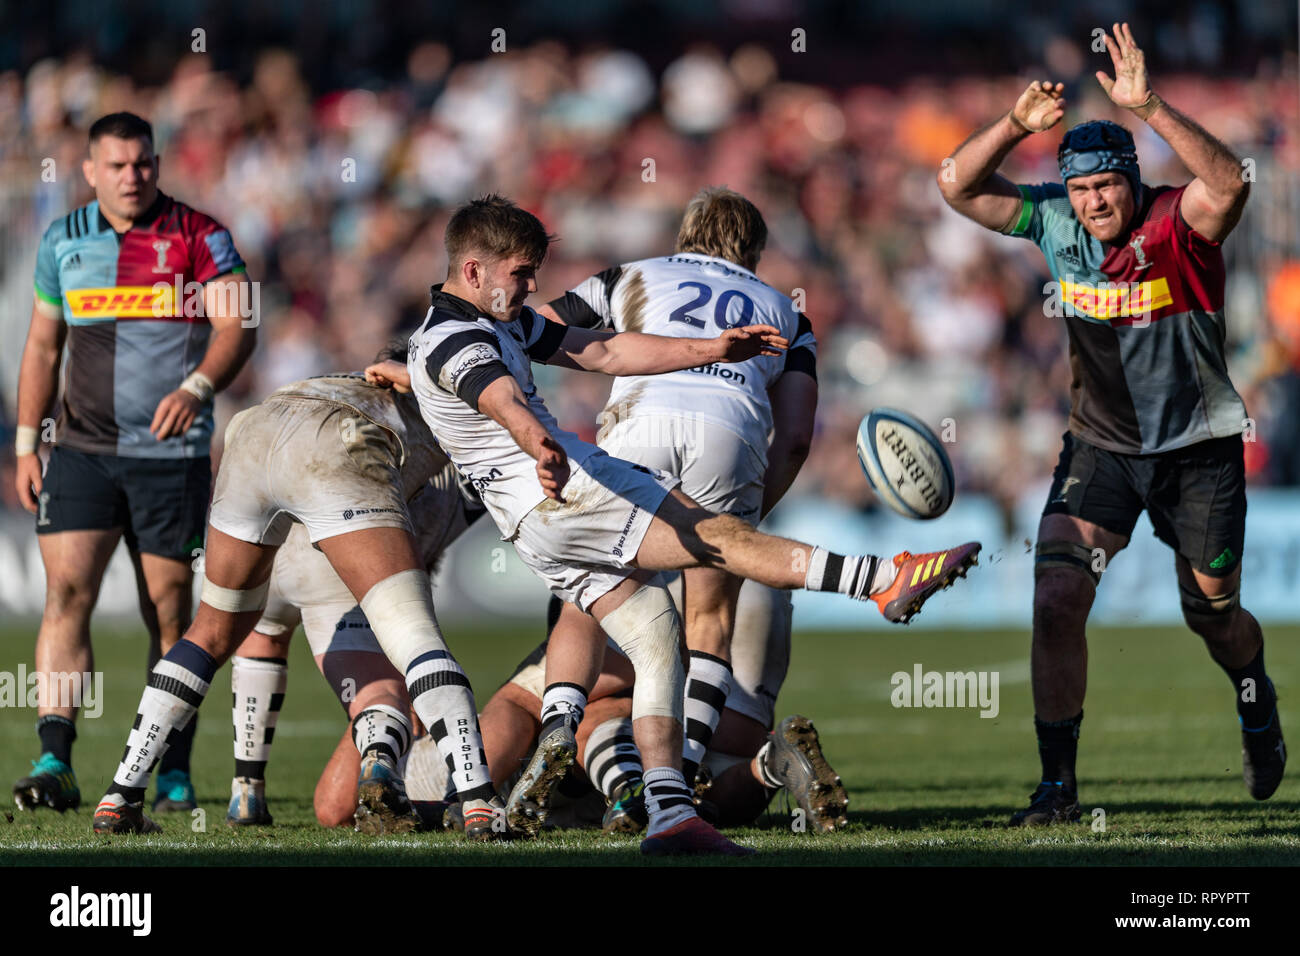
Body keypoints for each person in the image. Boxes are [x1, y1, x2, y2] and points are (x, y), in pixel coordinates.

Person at [366, 194, 979, 855]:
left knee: (657, 630)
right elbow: (501, 395)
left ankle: (663, 810)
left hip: (547, 518)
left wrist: (709, 347)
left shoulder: (491, 322)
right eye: (521, 272)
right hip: (570, 491)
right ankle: (884, 580)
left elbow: (604, 351)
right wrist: (537, 444)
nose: (532, 285)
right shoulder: (460, 337)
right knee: (719, 544)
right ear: (476, 269)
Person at [936, 23, 1281, 825]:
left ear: (1131, 181)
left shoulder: (1177, 223)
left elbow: (1230, 182)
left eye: (1106, 187)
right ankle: (1058, 788)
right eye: (1080, 188)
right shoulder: (1053, 221)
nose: (1092, 203)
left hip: (1199, 451)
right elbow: (955, 185)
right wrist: (1017, 125)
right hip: (1102, 447)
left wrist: (1150, 104)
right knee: (1057, 594)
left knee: (1213, 614)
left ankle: (1255, 703)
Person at [511, 186, 819, 825]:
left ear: (687, 236)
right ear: (754, 253)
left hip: (641, 418)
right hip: (731, 436)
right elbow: (793, 437)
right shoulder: (789, 313)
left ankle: (561, 727)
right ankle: (681, 778)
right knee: (709, 621)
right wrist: (743, 526)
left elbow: (529, 325)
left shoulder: (634, 274)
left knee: (591, 592)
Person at [89, 371, 505, 840]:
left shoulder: (365, 375)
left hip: (255, 434)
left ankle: (132, 794)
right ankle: (472, 798)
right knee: (402, 649)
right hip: (335, 494)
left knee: (212, 633)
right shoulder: (457, 415)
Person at [13, 112, 256, 816]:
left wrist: (197, 387)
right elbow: (40, 347)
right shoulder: (62, 239)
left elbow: (239, 323)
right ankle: (55, 757)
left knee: (171, 612)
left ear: (157, 163)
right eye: (116, 166)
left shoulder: (201, 235)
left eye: (143, 163)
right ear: (89, 171)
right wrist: (29, 442)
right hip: (83, 452)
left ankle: (171, 764)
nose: (132, 176)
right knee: (65, 596)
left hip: (169, 459)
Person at [224, 425, 486, 833]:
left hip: (274, 517)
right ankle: (384, 759)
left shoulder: (371, 411)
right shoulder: (468, 466)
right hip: (344, 558)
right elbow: (410, 597)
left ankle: (245, 788)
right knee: (384, 693)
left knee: (262, 635)